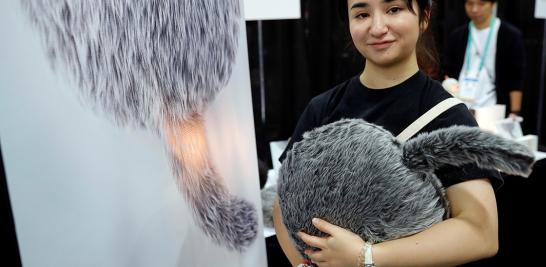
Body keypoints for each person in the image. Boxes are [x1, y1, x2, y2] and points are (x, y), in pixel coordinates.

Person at [272, 0, 503, 266]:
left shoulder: (448, 116)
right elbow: (283, 200)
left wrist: (366, 257)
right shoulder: (322, 108)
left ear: (424, 17)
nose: (378, 27)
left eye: (394, 9)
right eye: (362, 14)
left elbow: (480, 232)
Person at [443, 0, 525, 117]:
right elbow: (448, 69)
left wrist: (514, 111)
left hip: (492, 107)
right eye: (470, 4)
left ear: (493, 4)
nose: (475, 9)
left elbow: (516, 76)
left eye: (481, 4)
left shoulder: (509, 35)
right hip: (460, 105)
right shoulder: (457, 35)